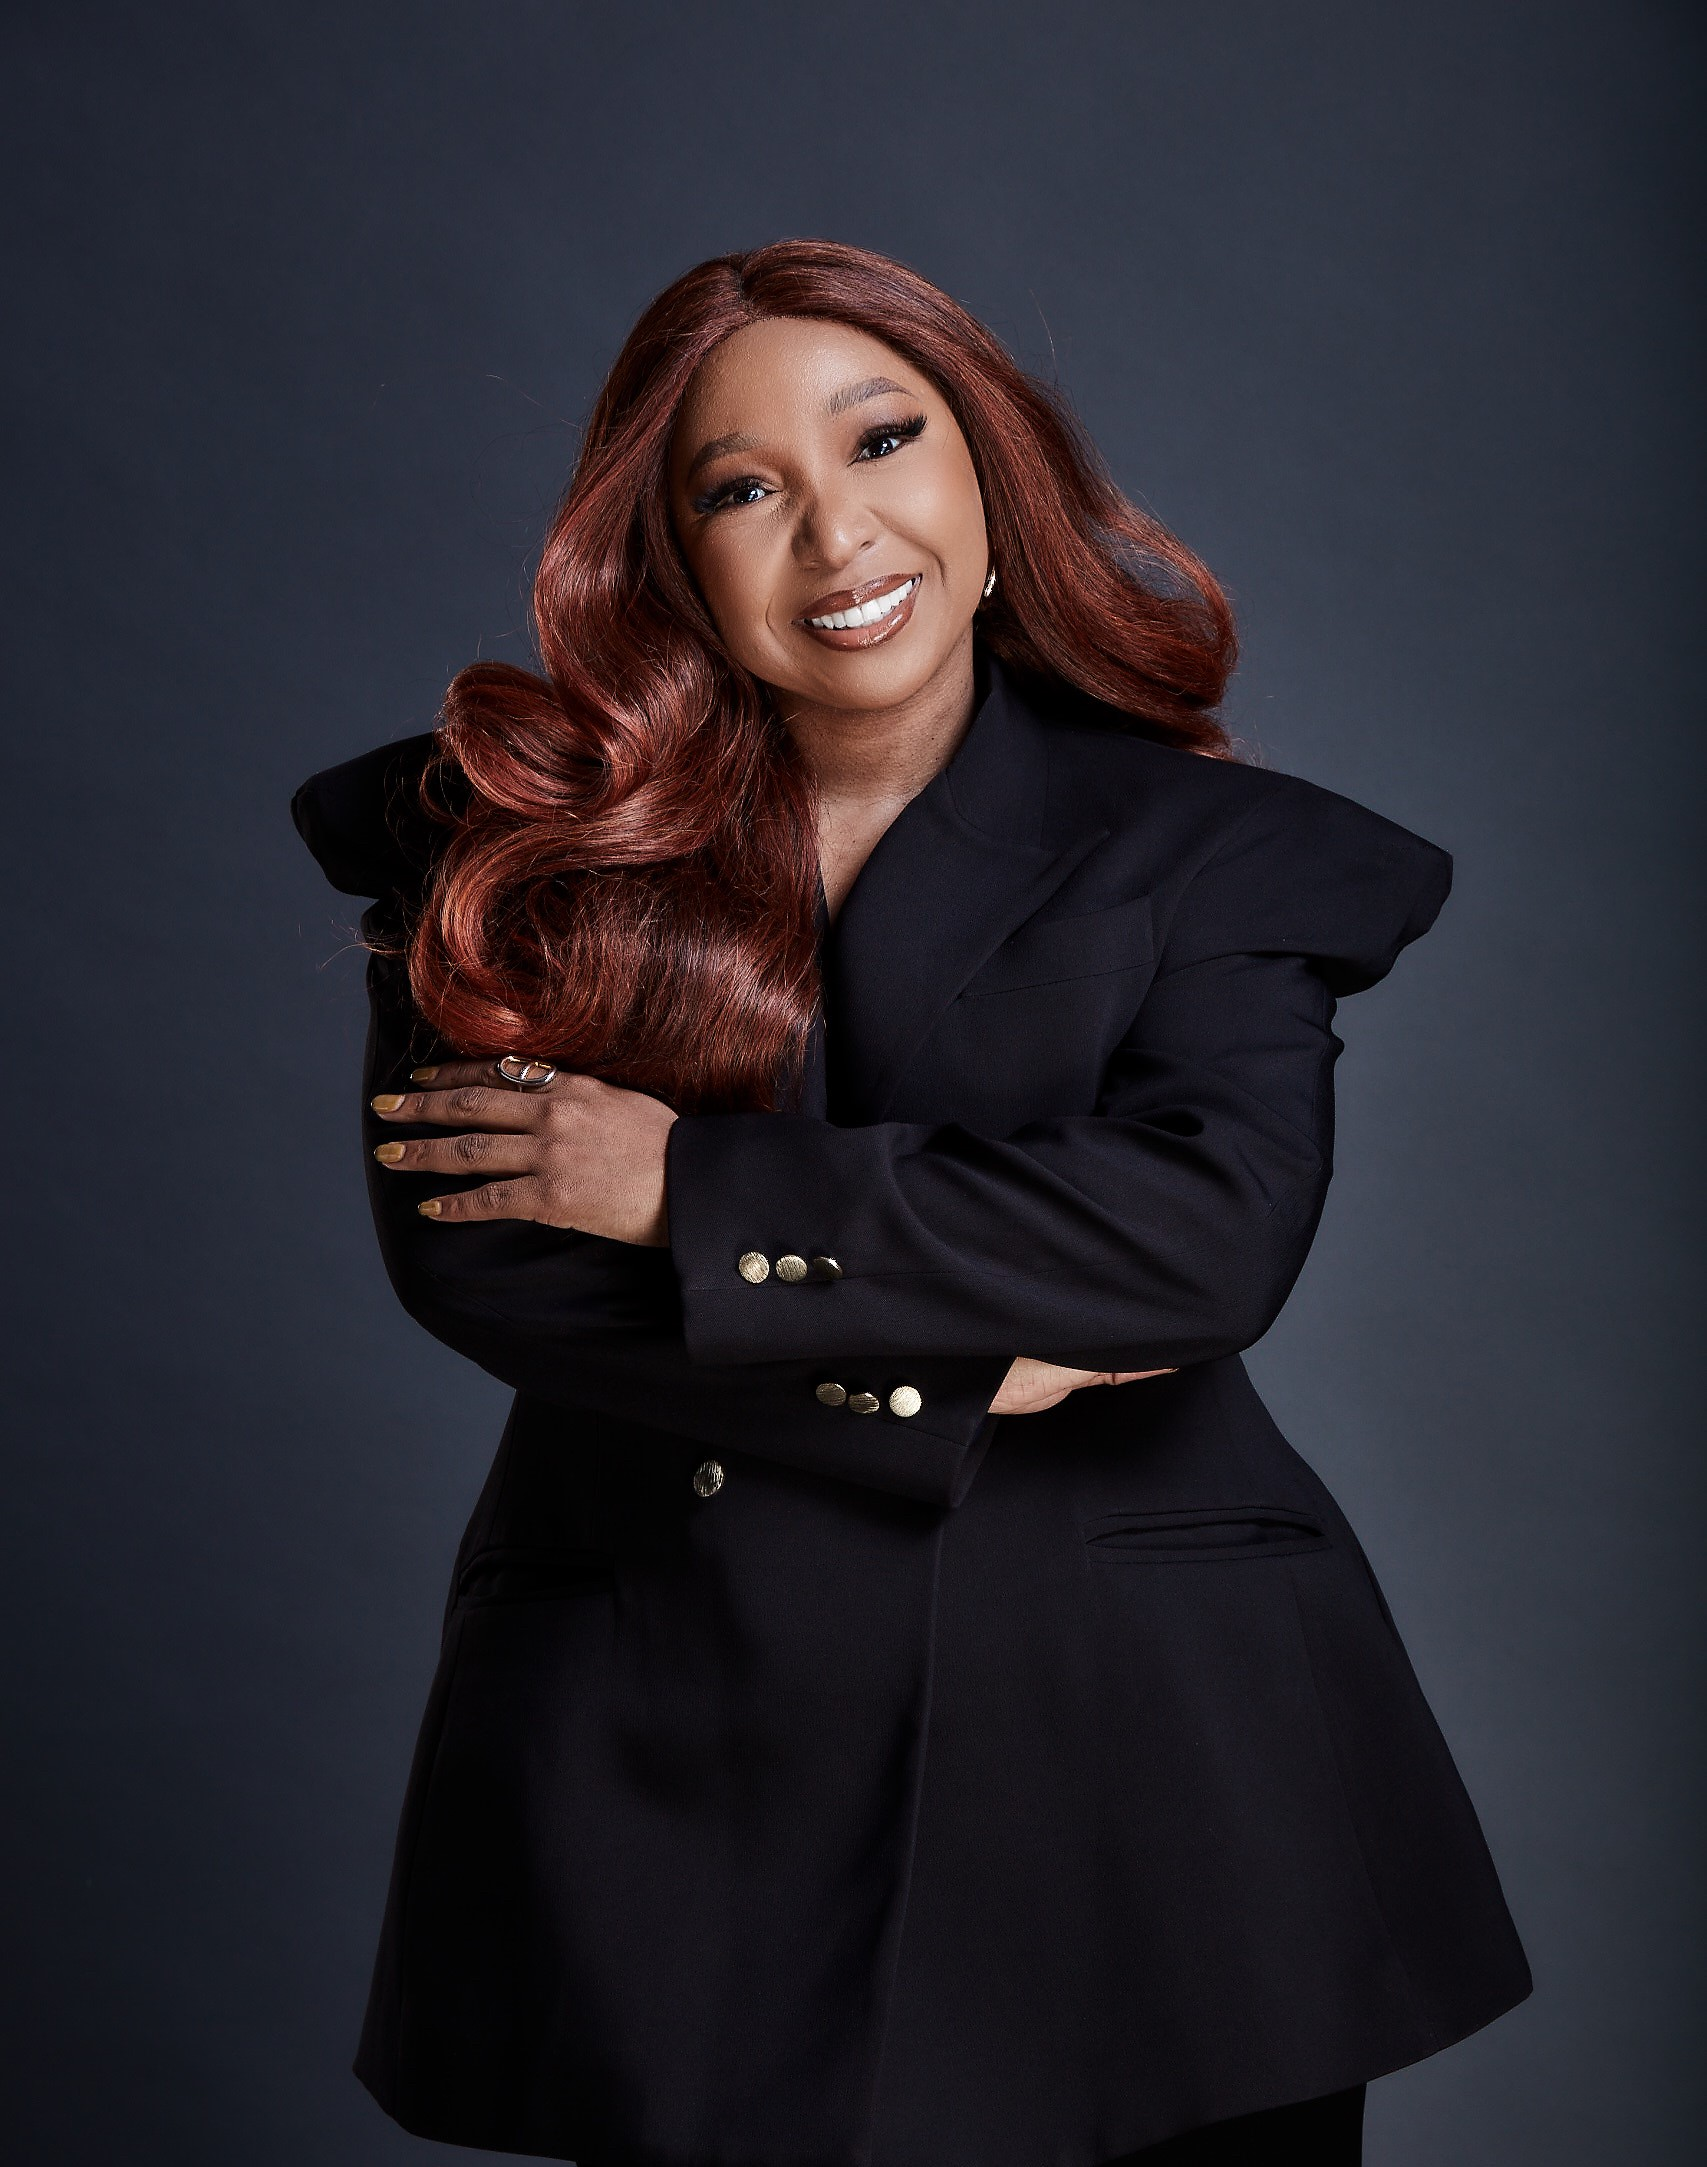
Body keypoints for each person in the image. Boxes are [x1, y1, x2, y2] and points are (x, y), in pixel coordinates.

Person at [292, 240, 1531, 2167]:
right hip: (674, 1742)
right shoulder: (507, 853)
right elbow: (488, 1258)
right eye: (742, 486)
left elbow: (1201, 1232)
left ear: (988, 470)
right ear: (666, 554)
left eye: (882, 439)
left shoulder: (1217, 853)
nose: (838, 531)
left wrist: (682, 1186)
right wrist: (963, 1369)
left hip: (1149, 1764)